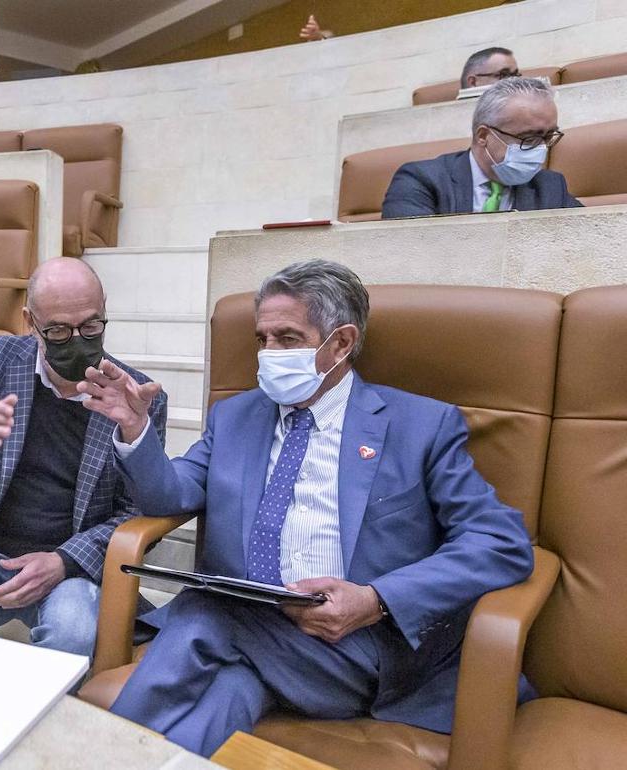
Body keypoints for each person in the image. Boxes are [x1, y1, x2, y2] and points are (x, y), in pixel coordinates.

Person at [79, 259, 533, 757]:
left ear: (340, 343)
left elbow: (499, 543)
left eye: (288, 338)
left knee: (209, 612)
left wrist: (375, 598)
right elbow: (173, 495)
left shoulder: (420, 426)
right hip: (261, 645)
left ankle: (92, 754)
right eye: (262, 339)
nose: (269, 353)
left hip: (356, 646)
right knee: (229, 689)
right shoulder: (236, 417)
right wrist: (134, 430)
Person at [0, 258, 168, 657]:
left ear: (105, 310)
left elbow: (138, 511)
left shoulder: (136, 398)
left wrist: (64, 561)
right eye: (57, 330)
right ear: (29, 321)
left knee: (71, 636)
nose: (76, 339)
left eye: (90, 326)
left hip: (71, 564)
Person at [381, 77, 581, 218]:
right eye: (528, 138)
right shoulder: (421, 179)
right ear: (484, 135)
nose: (542, 149)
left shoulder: (550, 187)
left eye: (548, 137)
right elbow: (408, 255)